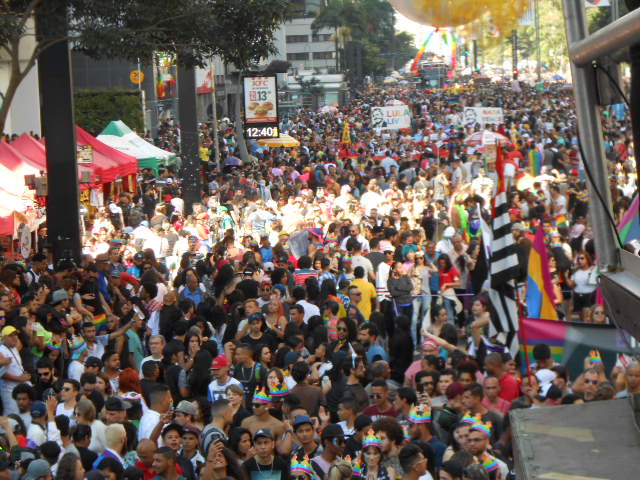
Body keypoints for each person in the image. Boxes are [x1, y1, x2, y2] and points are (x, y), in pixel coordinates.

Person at [0, 325, 30, 415]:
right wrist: (20, 379)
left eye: (16, 335)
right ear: (4, 338)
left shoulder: (14, 348)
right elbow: (3, 374)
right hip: (9, 390)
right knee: (12, 414)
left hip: (19, 389)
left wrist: (23, 374)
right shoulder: (1, 350)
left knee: (22, 414)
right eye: (11, 335)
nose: (14, 337)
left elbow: (17, 366)